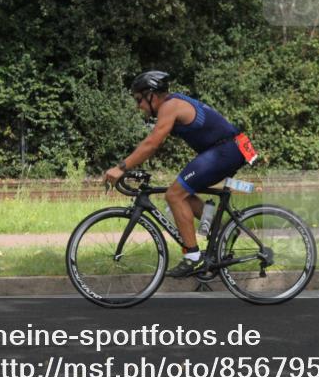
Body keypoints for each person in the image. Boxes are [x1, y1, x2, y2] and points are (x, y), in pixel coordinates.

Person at [102, 70, 257, 278]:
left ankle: (193, 257)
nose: (138, 106)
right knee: (182, 194)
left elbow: (152, 143)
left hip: (225, 150)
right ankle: (223, 231)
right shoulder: (172, 104)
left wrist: (121, 167)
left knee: (174, 195)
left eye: (139, 99)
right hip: (228, 148)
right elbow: (152, 143)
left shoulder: (170, 106)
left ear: (151, 95)